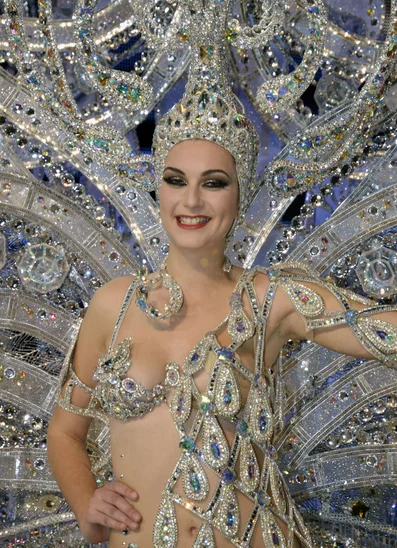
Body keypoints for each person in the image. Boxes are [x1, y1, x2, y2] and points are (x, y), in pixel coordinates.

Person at [47, 131, 397, 548]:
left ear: (240, 194)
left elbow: (383, 330)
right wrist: (87, 503)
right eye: (176, 180)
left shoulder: (269, 300)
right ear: (158, 189)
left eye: (213, 183)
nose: (191, 201)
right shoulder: (113, 304)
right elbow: (65, 432)